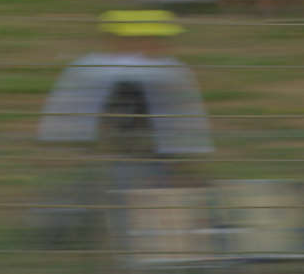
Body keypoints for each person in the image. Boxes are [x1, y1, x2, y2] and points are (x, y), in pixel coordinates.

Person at [37, 10, 212, 181]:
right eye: (156, 39)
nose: (163, 45)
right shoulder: (151, 73)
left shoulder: (88, 68)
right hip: (129, 163)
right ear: (131, 41)